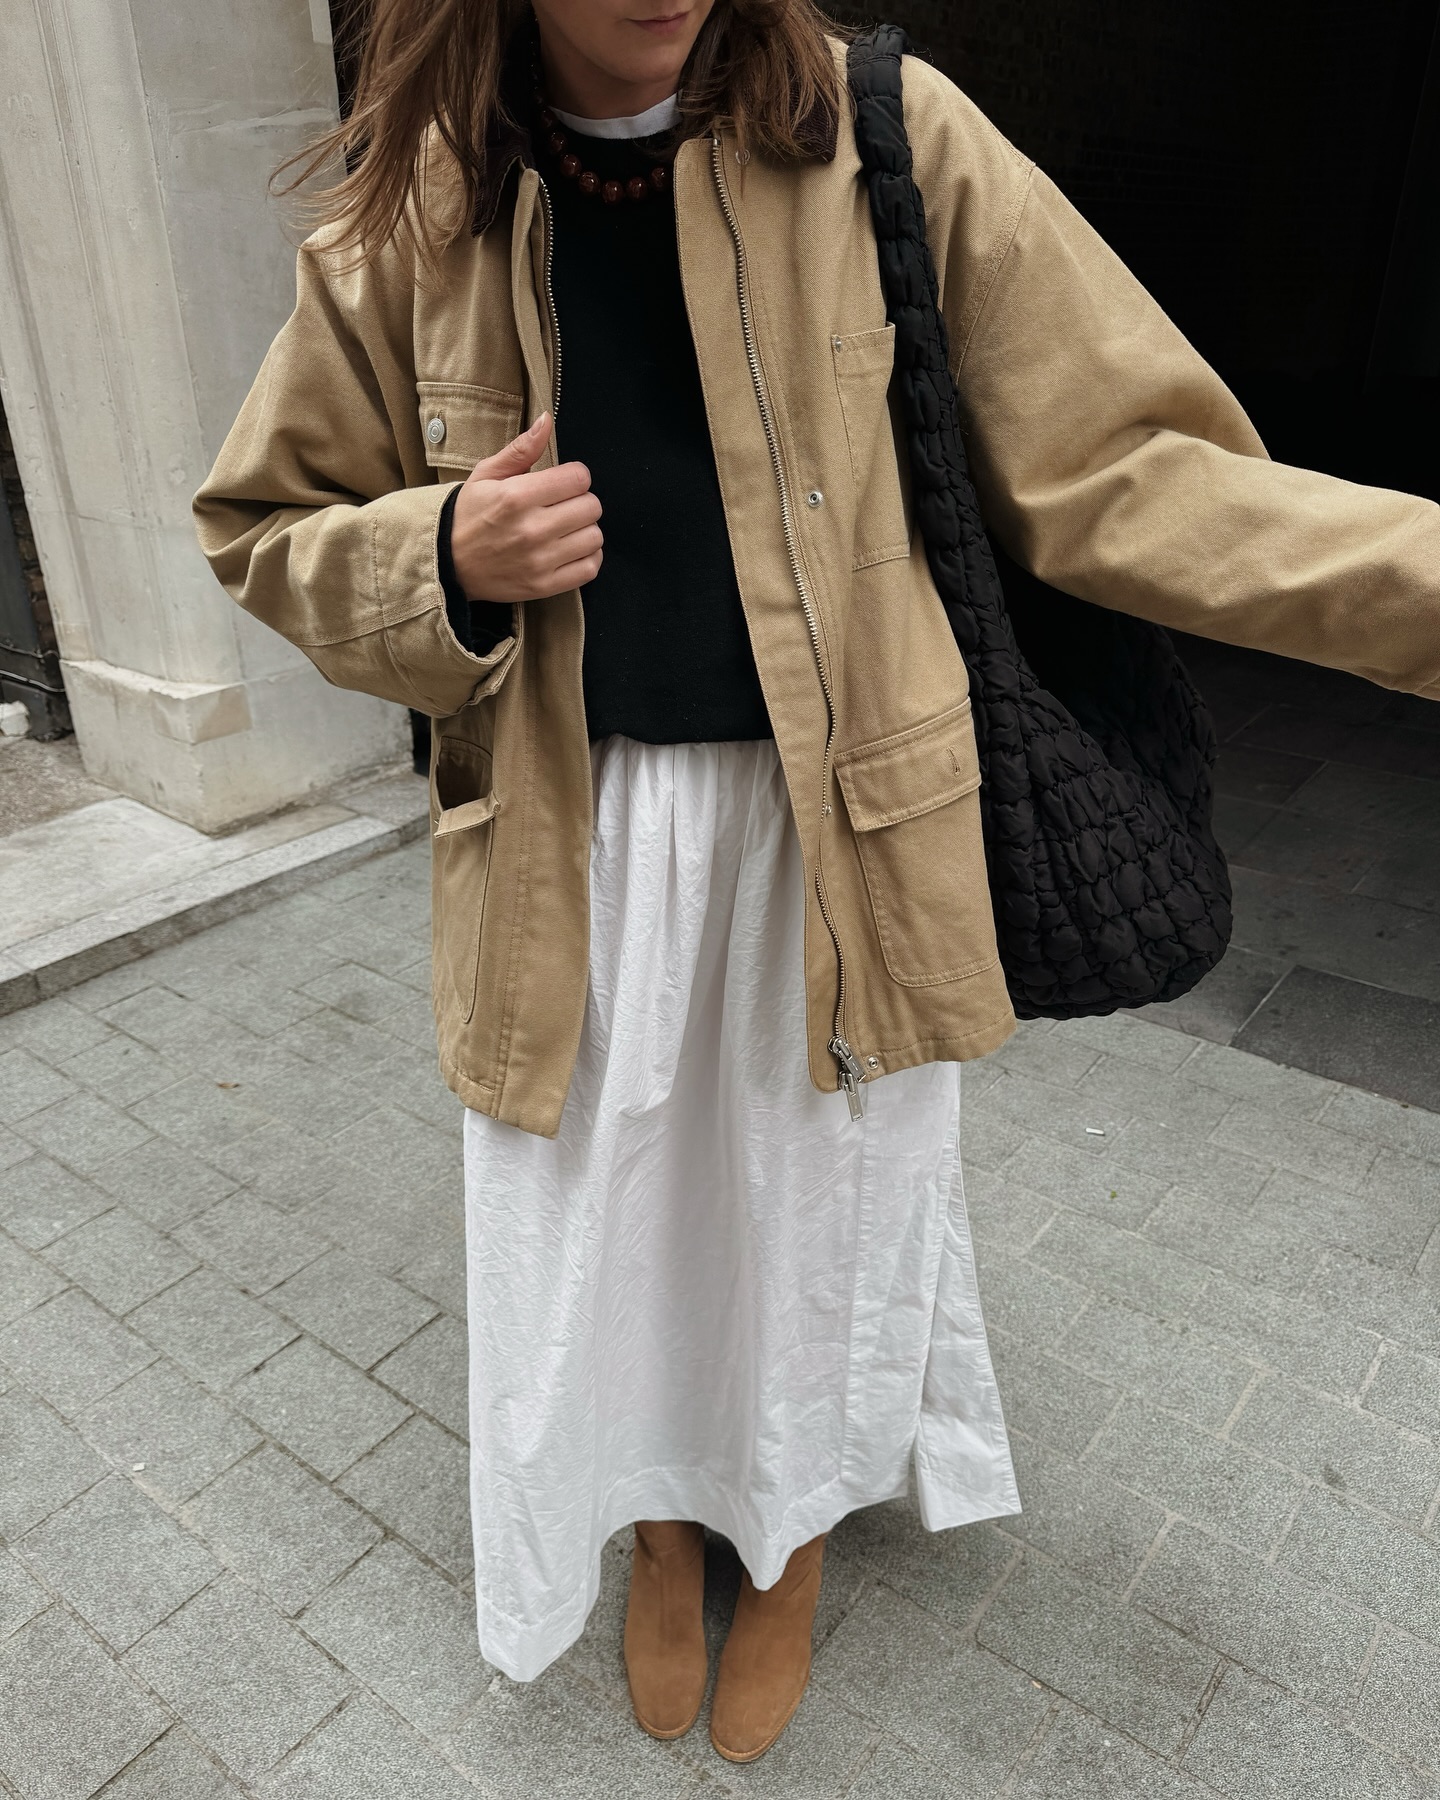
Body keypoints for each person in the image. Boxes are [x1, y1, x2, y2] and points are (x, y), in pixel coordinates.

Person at [193, 0, 1440, 1766]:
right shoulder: (421, 211)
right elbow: (262, 525)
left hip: (844, 833)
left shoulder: (881, 137)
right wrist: (442, 553)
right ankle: (663, 1524)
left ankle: (785, 1541)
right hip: (576, 843)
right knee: (603, 1228)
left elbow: (1131, 471)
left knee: (820, 1220)